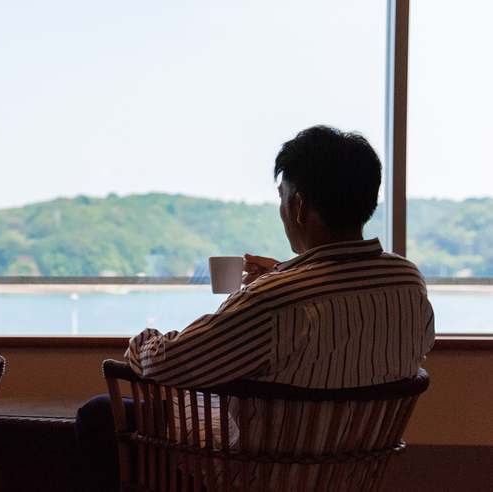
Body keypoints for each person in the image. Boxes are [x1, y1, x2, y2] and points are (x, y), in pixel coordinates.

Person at [74, 125, 435, 491]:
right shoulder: (407, 280)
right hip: (352, 473)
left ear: (299, 206)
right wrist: (283, 275)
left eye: (283, 197)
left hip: (261, 473)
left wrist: (144, 341)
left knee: (100, 413)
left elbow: (167, 363)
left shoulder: (275, 300)